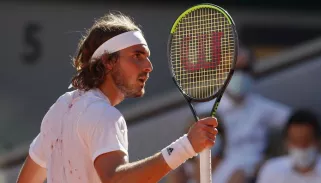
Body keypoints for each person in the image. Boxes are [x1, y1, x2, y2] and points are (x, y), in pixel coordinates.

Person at [16, 13, 218, 183]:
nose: (149, 66)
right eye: (137, 56)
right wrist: (187, 146)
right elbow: (115, 180)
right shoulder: (104, 116)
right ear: (108, 61)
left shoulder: (61, 107)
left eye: (146, 57)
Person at [195, 43, 292, 183]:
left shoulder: (262, 107)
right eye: (234, 70)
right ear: (221, 72)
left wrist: (272, 160)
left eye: (245, 69)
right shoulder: (205, 110)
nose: (240, 75)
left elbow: (298, 123)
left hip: (255, 173)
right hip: (219, 172)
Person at [256, 109, 321, 183]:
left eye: (306, 141)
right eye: (295, 141)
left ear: (318, 141)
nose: (301, 146)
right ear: (286, 142)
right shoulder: (271, 169)